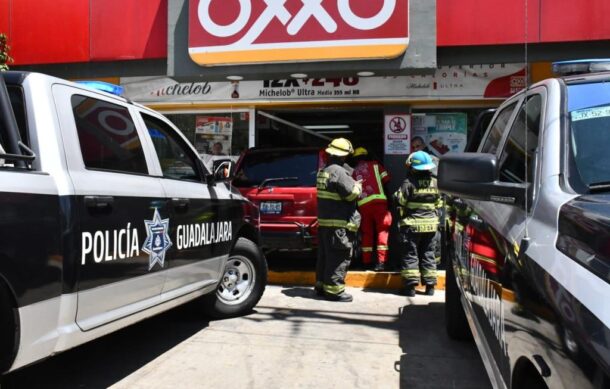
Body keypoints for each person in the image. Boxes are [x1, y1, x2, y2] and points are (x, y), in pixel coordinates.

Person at [314, 138, 362, 302]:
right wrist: (358, 186)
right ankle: (335, 291)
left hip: (325, 223)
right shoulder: (339, 172)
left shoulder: (323, 171)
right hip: (339, 224)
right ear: (343, 156)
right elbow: (351, 194)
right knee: (338, 257)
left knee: (325, 257)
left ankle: (321, 286)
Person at [393, 150, 442, 297]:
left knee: (410, 255)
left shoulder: (408, 183)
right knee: (428, 254)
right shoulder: (435, 183)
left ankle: (410, 288)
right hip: (432, 226)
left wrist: (396, 195)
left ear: (413, 167)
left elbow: (400, 200)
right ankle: (430, 286)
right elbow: (439, 203)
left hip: (412, 226)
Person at [351, 147, 392, 271]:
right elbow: (387, 179)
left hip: (363, 205)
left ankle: (366, 262)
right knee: (382, 231)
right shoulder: (376, 165)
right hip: (379, 203)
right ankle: (381, 263)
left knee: (367, 233)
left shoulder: (354, 172)